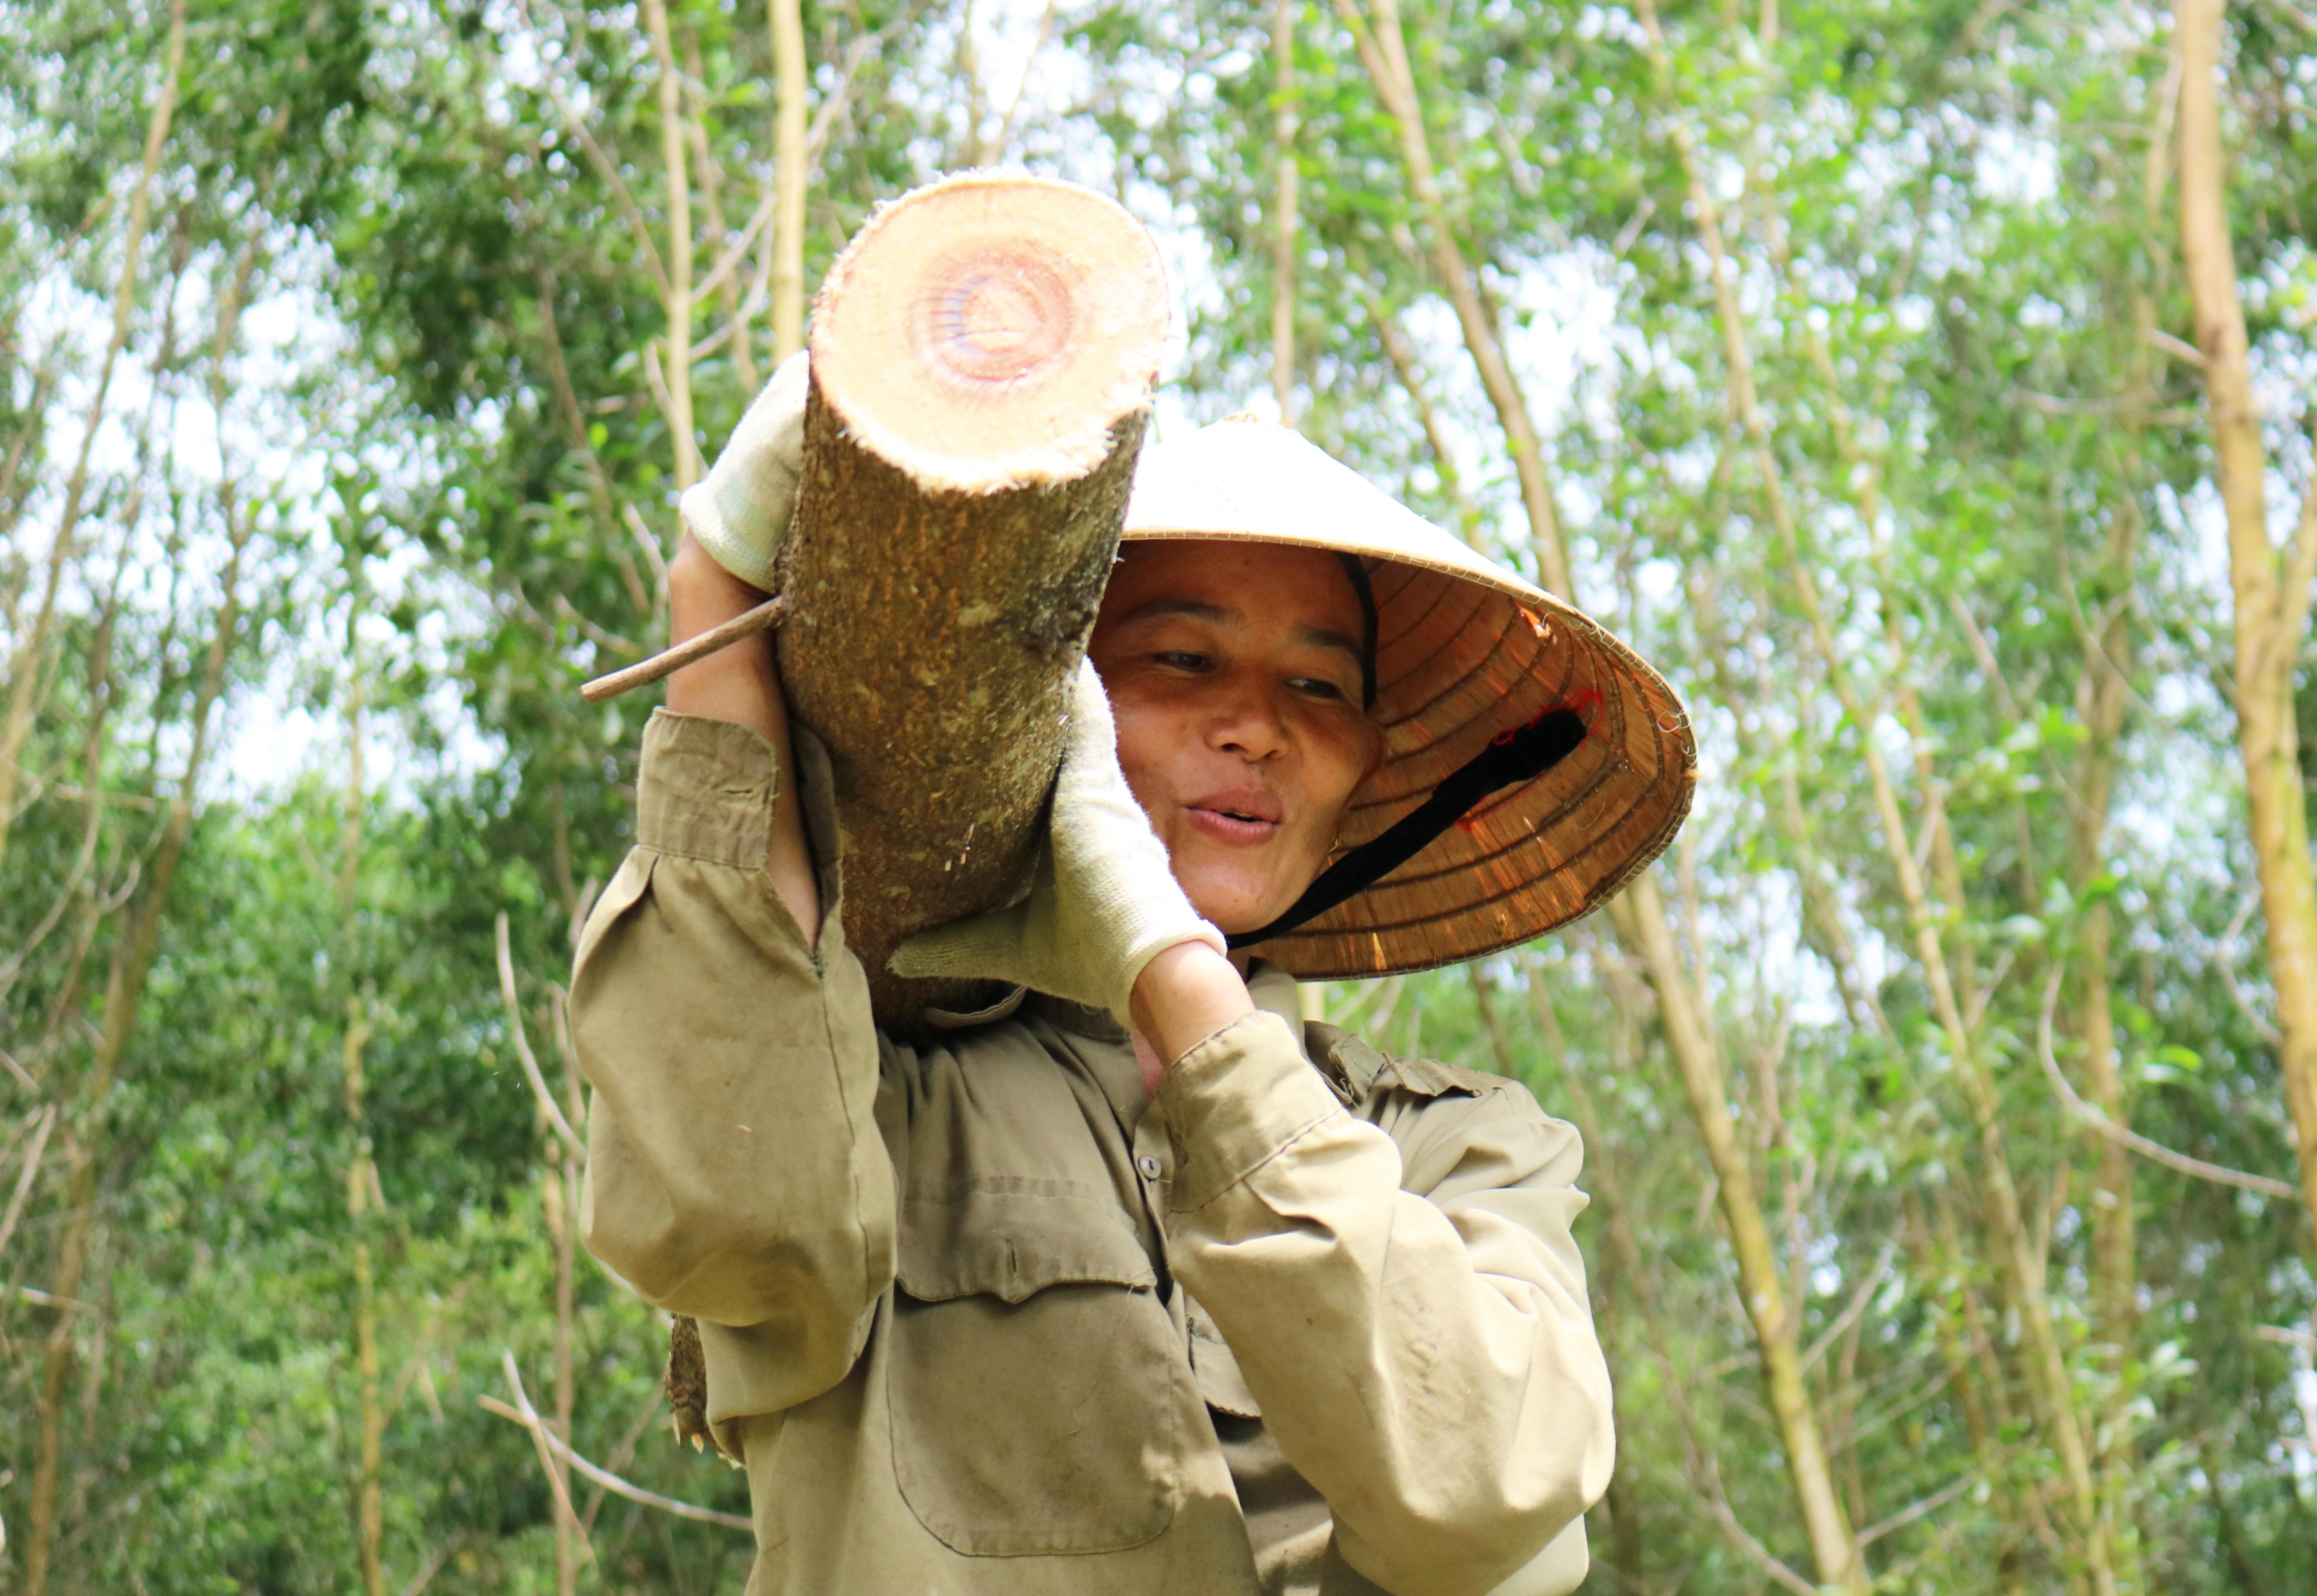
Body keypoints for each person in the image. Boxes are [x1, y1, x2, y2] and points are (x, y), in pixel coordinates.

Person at [571, 355, 1694, 1596]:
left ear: (1364, 767)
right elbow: (725, 1212)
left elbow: (1480, 1493)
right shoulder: (891, 1092)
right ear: (1063, 707)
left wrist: (1169, 974)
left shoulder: (1465, 1149)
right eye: (1180, 662)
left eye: (1316, 685)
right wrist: (711, 575)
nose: (1256, 727)